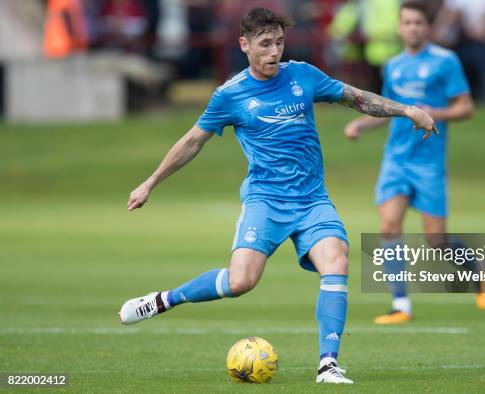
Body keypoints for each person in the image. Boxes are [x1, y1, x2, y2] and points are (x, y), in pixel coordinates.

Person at [118, 7, 436, 384]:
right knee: (241, 283)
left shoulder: (302, 75)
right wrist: (150, 182)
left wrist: (406, 110)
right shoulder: (230, 95)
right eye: (265, 44)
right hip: (265, 202)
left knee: (337, 262)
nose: (274, 52)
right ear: (244, 45)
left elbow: (356, 97)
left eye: (279, 43)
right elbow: (191, 141)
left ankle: (328, 365)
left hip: (312, 200)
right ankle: (162, 300)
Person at [343, 0, 485, 325]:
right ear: (399, 28)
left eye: (418, 23)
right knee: (388, 226)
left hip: (429, 163)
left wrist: (431, 113)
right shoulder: (393, 66)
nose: (412, 28)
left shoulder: (445, 61)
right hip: (396, 160)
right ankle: (401, 305)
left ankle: (478, 271)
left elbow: (466, 108)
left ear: (428, 27)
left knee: (435, 241)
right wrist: (361, 124)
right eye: (407, 22)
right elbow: (386, 111)